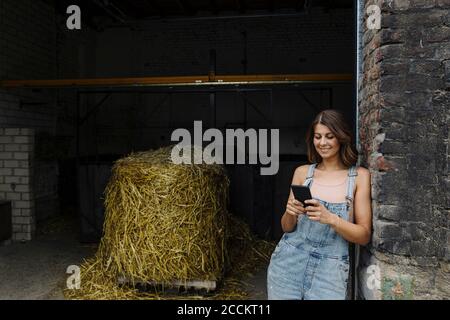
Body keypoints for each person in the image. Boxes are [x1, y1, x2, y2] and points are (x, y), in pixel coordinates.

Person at [267, 109, 372, 300]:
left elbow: (364, 235)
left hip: (330, 271)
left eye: (329, 136)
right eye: (317, 137)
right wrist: (290, 213)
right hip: (288, 264)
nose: (322, 143)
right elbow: (286, 227)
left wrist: (330, 219)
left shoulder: (358, 177)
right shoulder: (302, 173)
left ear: (342, 137)